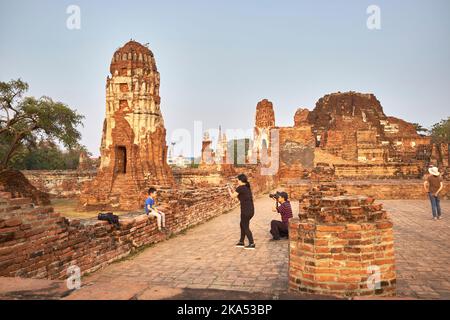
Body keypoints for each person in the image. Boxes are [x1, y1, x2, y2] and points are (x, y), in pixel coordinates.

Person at [227, 174, 255, 250]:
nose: (237, 182)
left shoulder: (240, 188)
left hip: (245, 211)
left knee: (245, 226)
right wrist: (232, 189)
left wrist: (229, 189)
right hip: (251, 210)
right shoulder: (246, 187)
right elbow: (237, 195)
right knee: (242, 224)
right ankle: (241, 241)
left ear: (240, 180)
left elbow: (233, 196)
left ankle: (252, 243)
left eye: (238, 180)